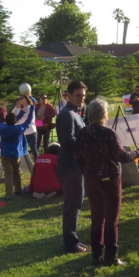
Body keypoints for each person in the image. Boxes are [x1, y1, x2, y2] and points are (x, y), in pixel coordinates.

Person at [74, 97, 139, 266]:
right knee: (111, 219)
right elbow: (123, 156)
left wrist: (87, 173)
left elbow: (78, 158)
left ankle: (97, 256)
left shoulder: (82, 134)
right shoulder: (108, 134)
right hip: (109, 180)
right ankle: (111, 257)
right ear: (104, 115)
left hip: (91, 180)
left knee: (97, 217)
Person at [57, 80, 89, 254]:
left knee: (75, 205)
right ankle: (71, 244)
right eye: (78, 96)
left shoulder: (75, 112)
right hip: (70, 166)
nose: (81, 99)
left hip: (76, 166)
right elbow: (68, 142)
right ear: (68, 95)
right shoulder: (68, 114)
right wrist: (88, 139)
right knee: (72, 206)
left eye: (83, 96)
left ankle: (74, 241)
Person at [0, 105, 35, 200]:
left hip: (4, 153)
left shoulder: (2, 127)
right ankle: (18, 190)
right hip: (15, 154)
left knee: (8, 174)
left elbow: (12, 120)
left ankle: (8, 194)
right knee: (16, 172)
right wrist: (32, 109)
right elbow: (28, 122)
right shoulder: (18, 129)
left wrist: (21, 112)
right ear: (14, 122)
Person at [13, 95, 38, 161]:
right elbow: (13, 116)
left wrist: (29, 96)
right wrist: (16, 107)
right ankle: (23, 165)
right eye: (19, 98)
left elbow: (23, 117)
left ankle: (38, 164)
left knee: (34, 150)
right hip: (22, 132)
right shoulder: (19, 108)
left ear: (26, 99)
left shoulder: (30, 107)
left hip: (31, 131)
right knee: (21, 149)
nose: (19, 100)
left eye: (21, 98)